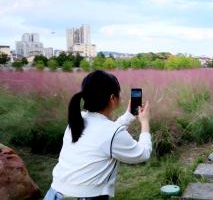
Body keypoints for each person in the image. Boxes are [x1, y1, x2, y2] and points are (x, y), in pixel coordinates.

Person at [44, 70, 152, 200]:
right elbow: (143, 153)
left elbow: (103, 134)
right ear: (112, 98)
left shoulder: (77, 120)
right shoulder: (111, 133)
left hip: (54, 194)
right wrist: (145, 122)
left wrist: (128, 116)